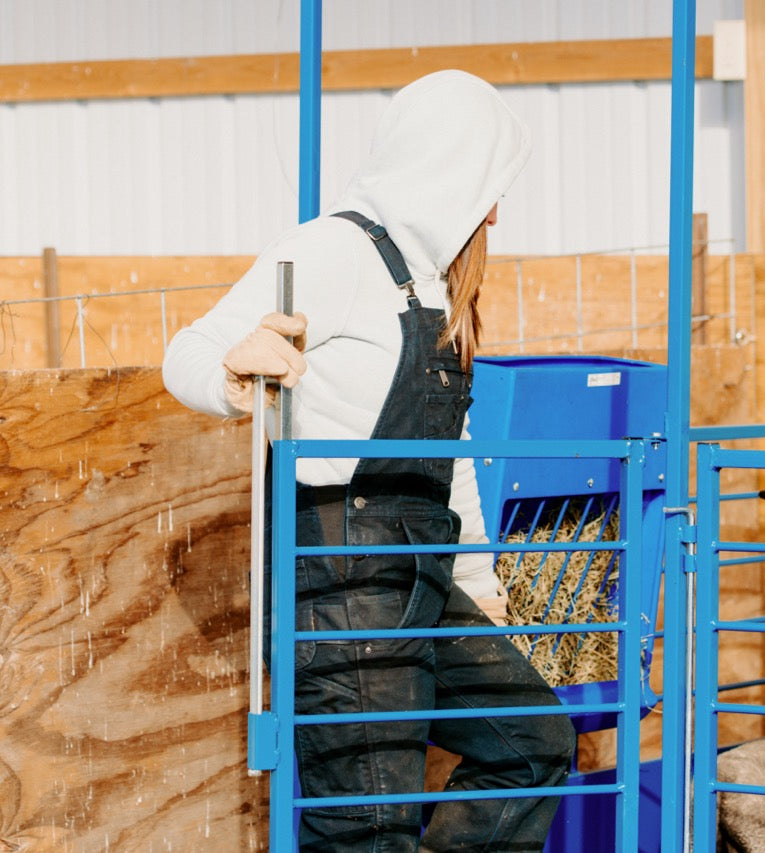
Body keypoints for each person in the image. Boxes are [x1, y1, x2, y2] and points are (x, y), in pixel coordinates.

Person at [162, 70, 576, 852]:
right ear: (444, 168)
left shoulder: (430, 290)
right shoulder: (331, 251)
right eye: (488, 184)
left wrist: (480, 585)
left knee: (533, 741)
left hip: (421, 572)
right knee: (367, 826)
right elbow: (186, 351)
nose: (494, 211)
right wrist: (231, 373)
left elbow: (446, 457)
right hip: (345, 581)